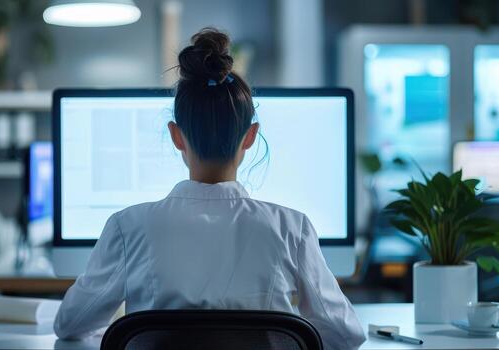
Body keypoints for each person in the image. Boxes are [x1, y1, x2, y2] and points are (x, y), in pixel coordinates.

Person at [54, 27, 366, 350]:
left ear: (176, 136)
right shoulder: (292, 229)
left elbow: (69, 324)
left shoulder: (127, 227)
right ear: (250, 136)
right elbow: (347, 336)